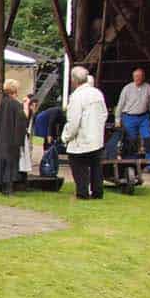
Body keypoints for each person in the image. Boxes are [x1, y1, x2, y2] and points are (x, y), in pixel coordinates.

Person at [62, 65, 108, 200]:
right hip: (97, 138)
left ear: (74, 80)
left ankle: (82, 193)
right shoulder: (97, 93)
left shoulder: (77, 96)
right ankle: (97, 192)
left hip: (82, 139)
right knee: (96, 166)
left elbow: (74, 121)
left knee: (78, 165)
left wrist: (66, 136)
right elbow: (104, 114)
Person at [0, 79, 28, 194]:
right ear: (15, 90)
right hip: (12, 138)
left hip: (2, 137)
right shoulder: (16, 105)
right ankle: (9, 188)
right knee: (11, 164)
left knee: (3, 163)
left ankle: (2, 186)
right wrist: (26, 107)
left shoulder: (2, 103)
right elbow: (22, 120)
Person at [116, 68, 150, 172]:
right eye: (136, 76)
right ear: (133, 77)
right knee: (131, 142)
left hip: (144, 117)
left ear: (143, 77)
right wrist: (117, 120)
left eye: (140, 76)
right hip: (129, 117)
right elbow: (120, 105)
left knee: (148, 140)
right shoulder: (127, 88)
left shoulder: (148, 88)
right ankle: (131, 166)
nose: (138, 78)